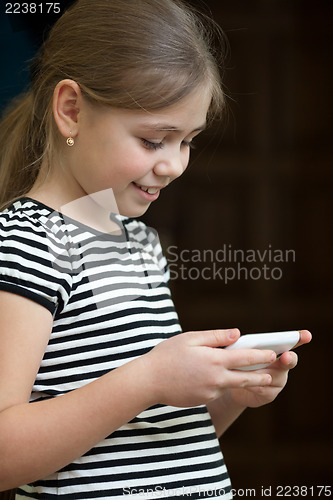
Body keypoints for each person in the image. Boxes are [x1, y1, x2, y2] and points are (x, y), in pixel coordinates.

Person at [0, 0, 311, 498]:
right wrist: (148, 379)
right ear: (71, 110)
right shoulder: (27, 243)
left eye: (188, 141)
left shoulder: (139, 242)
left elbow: (150, 443)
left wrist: (227, 393)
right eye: (153, 140)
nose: (175, 165)